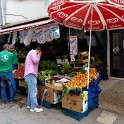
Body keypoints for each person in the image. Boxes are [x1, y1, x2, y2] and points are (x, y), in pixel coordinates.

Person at [24, 47, 43, 112]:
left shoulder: (30, 53)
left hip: (29, 74)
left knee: (30, 91)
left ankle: (29, 105)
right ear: (38, 51)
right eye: (40, 52)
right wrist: (39, 55)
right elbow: (35, 61)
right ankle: (34, 107)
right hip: (31, 74)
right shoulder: (33, 52)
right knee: (33, 91)